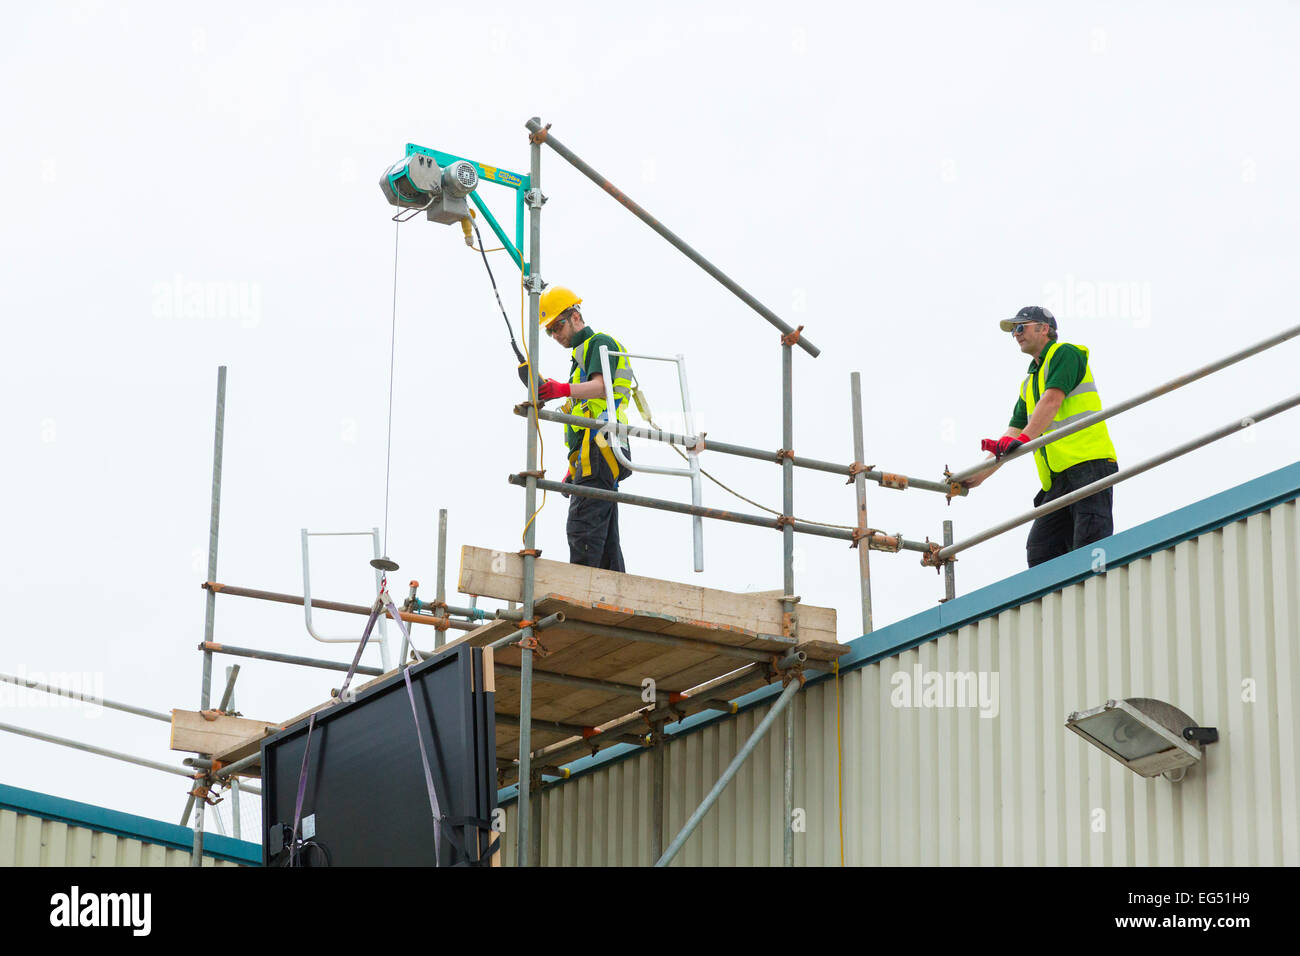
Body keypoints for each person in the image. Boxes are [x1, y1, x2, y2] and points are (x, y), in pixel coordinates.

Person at [964, 306, 1119, 567]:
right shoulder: (1029, 383)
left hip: (1089, 464)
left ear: (1044, 328)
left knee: (1090, 544)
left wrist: (1024, 439)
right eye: (1013, 330)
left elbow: (1052, 401)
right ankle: (1059, 605)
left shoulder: (1065, 353)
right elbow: (1012, 433)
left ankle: (1094, 599)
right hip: (1058, 478)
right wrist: (977, 475)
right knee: (1041, 549)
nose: (1016, 334)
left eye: (1021, 327)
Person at [533, 286, 634, 571]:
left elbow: (602, 388)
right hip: (594, 450)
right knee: (603, 534)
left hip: (600, 443)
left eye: (558, 325)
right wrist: (573, 467)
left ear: (575, 316)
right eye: (549, 331)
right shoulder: (579, 358)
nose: (555, 335)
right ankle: (611, 596)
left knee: (583, 527)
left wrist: (561, 389)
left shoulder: (598, 342)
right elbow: (583, 408)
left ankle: (585, 595)